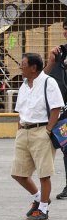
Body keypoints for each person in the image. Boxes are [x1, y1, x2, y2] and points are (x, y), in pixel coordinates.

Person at [12, 53, 63, 220]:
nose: (20, 66)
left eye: (23, 64)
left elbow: (56, 108)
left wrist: (47, 131)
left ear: (33, 68)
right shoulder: (24, 85)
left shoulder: (49, 83)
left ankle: (43, 209)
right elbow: (20, 110)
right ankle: (40, 197)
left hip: (41, 131)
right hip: (24, 130)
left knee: (44, 174)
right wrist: (19, 130)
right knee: (18, 173)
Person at [45, 20, 67, 199]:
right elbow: (43, 78)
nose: (66, 33)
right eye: (65, 30)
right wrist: (52, 61)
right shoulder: (61, 52)